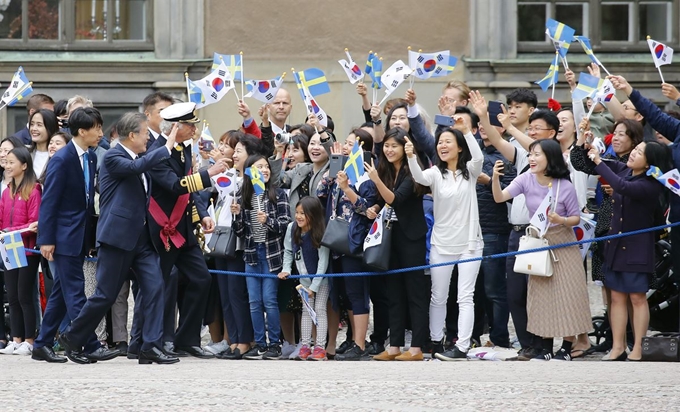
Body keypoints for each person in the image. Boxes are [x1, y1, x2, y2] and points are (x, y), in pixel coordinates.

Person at [57, 112, 180, 365]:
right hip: (116, 238)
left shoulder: (139, 156)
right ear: (132, 135)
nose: (148, 138)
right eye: (145, 133)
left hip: (142, 240)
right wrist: (167, 145)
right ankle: (72, 336)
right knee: (105, 295)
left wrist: (168, 138)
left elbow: (143, 164)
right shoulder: (113, 156)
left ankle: (150, 346)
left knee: (156, 287)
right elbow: (136, 167)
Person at [138, 102, 228, 359]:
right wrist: (208, 173)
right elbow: (175, 186)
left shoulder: (183, 150)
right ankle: (157, 340)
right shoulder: (156, 152)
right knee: (161, 286)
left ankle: (186, 338)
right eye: (190, 125)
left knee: (202, 278)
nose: (194, 130)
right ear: (175, 127)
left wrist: (201, 216)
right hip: (163, 231)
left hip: (185, 229)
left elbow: (188, 195)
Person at [492, 139, 592, 361]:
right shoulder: (526, 178)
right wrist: (496, 179)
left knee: (568, 294)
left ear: (551, 157)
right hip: (538, 242)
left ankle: (567, 345)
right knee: (540, 296)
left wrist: (561, 219)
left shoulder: (564, 185)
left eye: (537, 154)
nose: (532, 159)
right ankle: (544, 347)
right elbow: (500, 197)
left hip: (563, 241)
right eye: (530, 154)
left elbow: (576, 218)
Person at [32, 107, 119, 364]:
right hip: (62, 236)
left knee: (60, 293)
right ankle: (88, 344)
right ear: (82, 131)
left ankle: (42, 343)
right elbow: (49, 202)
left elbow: (87, 200)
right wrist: (46, 239)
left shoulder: (90, 157)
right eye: (97, 128)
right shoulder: (61, 159)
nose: (101, 133)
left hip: (79, 235)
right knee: (75, 291)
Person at [405, 115, 484, 360]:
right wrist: (410, 155)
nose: (442, 146)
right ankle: (436, 341)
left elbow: (479, 158)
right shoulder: (435, 174)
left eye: (448, 141)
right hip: (442, 242)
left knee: (465, 296)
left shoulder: (469, 172)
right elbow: (418, 177)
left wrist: (467, 131)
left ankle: (461, 345)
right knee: (438, 296)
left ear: (459, 147)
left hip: (470, 242)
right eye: (440, 142)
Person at [587, 140, 671, 361]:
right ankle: (617, 346)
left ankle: (639, 348)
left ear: (649, 161)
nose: (633, 153)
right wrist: (589, 147)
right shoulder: (625, 169)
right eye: (635, 149)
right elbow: (602, 164)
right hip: (616, 246)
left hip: (638, 246)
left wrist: (598, 161)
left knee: (637, 297)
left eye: (639, 152)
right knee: (616, 297)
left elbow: (622, 187)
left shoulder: (651, 184)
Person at [365, 128, 430, 361]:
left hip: (411, 236)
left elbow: (395, 199)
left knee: (415, 292)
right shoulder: (384, 169)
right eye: (387, 146)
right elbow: (380, 200)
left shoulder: (411, 170)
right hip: (389, 236)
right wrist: (373, 207)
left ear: (405, 147)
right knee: (393, 292)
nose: (389, 150)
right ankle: (394, 346)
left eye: (395, 146)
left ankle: (416, 348)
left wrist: (375, 180)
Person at [232, 155, 291, 360]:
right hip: (251, 255)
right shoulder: (243, 197)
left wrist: (268, 221)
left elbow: (286, 225)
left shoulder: (279, 194)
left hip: (272, 255)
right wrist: (237, 215)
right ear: (249, 172)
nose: (265, 170)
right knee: (254, 301)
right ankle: (260, 343)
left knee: (269, 300)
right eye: (259, 167)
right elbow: (240, 233)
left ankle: (275, 344)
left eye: (266, 167)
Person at [212, 132, 256, 360]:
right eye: (235, 150)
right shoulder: (227, 176)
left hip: (239, 242)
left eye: (240, 150)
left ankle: (244, 340)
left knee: (237, 293)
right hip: (221, 236)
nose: (235, 154)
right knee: (225, 294)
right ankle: (233, 339)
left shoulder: (251, 180)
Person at [278, 197, 330, 361]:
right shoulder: (291, 228)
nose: (299, 216)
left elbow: (323, 262)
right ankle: (305, 346)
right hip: (303, 280)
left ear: (313, 216)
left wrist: (314, 287)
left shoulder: (320, 231)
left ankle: (320, 347)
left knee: (320, 310)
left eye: (303, 213)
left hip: (320, 280)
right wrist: (286, 269)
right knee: (306, 312)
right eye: (297, 212)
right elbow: (287, 251)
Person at [0, 147, 41, 355]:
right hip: (8, 247)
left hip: (26, 249)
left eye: (11, 162)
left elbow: (34, 223)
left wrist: (9, 230)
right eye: (6, 162)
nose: (7, 166)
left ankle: (29, 340)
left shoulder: (33, 190)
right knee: (13, 296)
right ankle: (15, 339)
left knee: (25, 295)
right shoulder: (7, 191)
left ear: (24, 165)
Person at [28, 109, 59, 178]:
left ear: (50, 128)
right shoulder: (25, 154)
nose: (34, 128)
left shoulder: (60, 155)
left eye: (39, 125)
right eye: (32, 124)